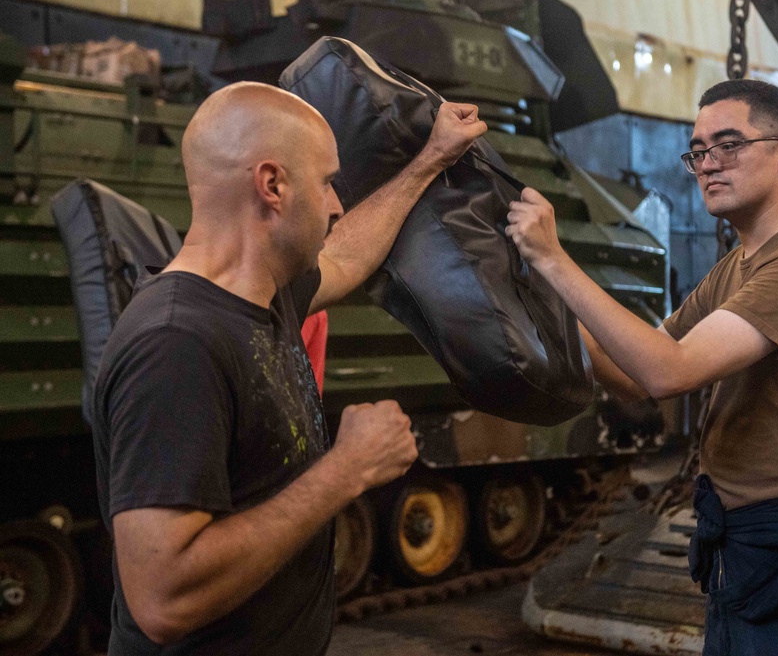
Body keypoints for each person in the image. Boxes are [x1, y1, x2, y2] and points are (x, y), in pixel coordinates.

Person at [91, 81, 487, 655]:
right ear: (272, 185)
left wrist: (431, 160)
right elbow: (163, 600)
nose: (335, 204)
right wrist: (346, 469)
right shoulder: (176, 344)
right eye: (327, 182)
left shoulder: (266, 296)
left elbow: (346, 253)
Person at [506, 79, 778, 655]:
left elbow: (669, 371)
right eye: (699, 150)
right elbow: (635, 379)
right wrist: (542, 300)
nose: (708, 163)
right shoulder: (734, 269)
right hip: (746, 542)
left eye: (729, 144)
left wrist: (555, 261)